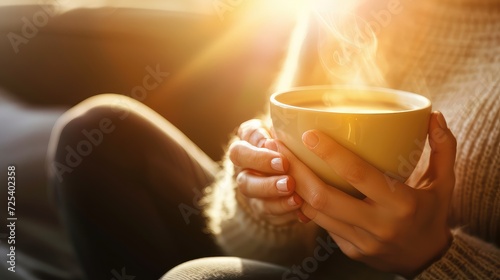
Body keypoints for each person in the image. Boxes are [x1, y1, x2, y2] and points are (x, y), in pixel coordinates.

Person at [47, 0, 499, 279]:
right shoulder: (344, 10)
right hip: (309, 262)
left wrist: (436, 258)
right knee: (95, 135)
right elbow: (280, 158)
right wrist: (258, 204)